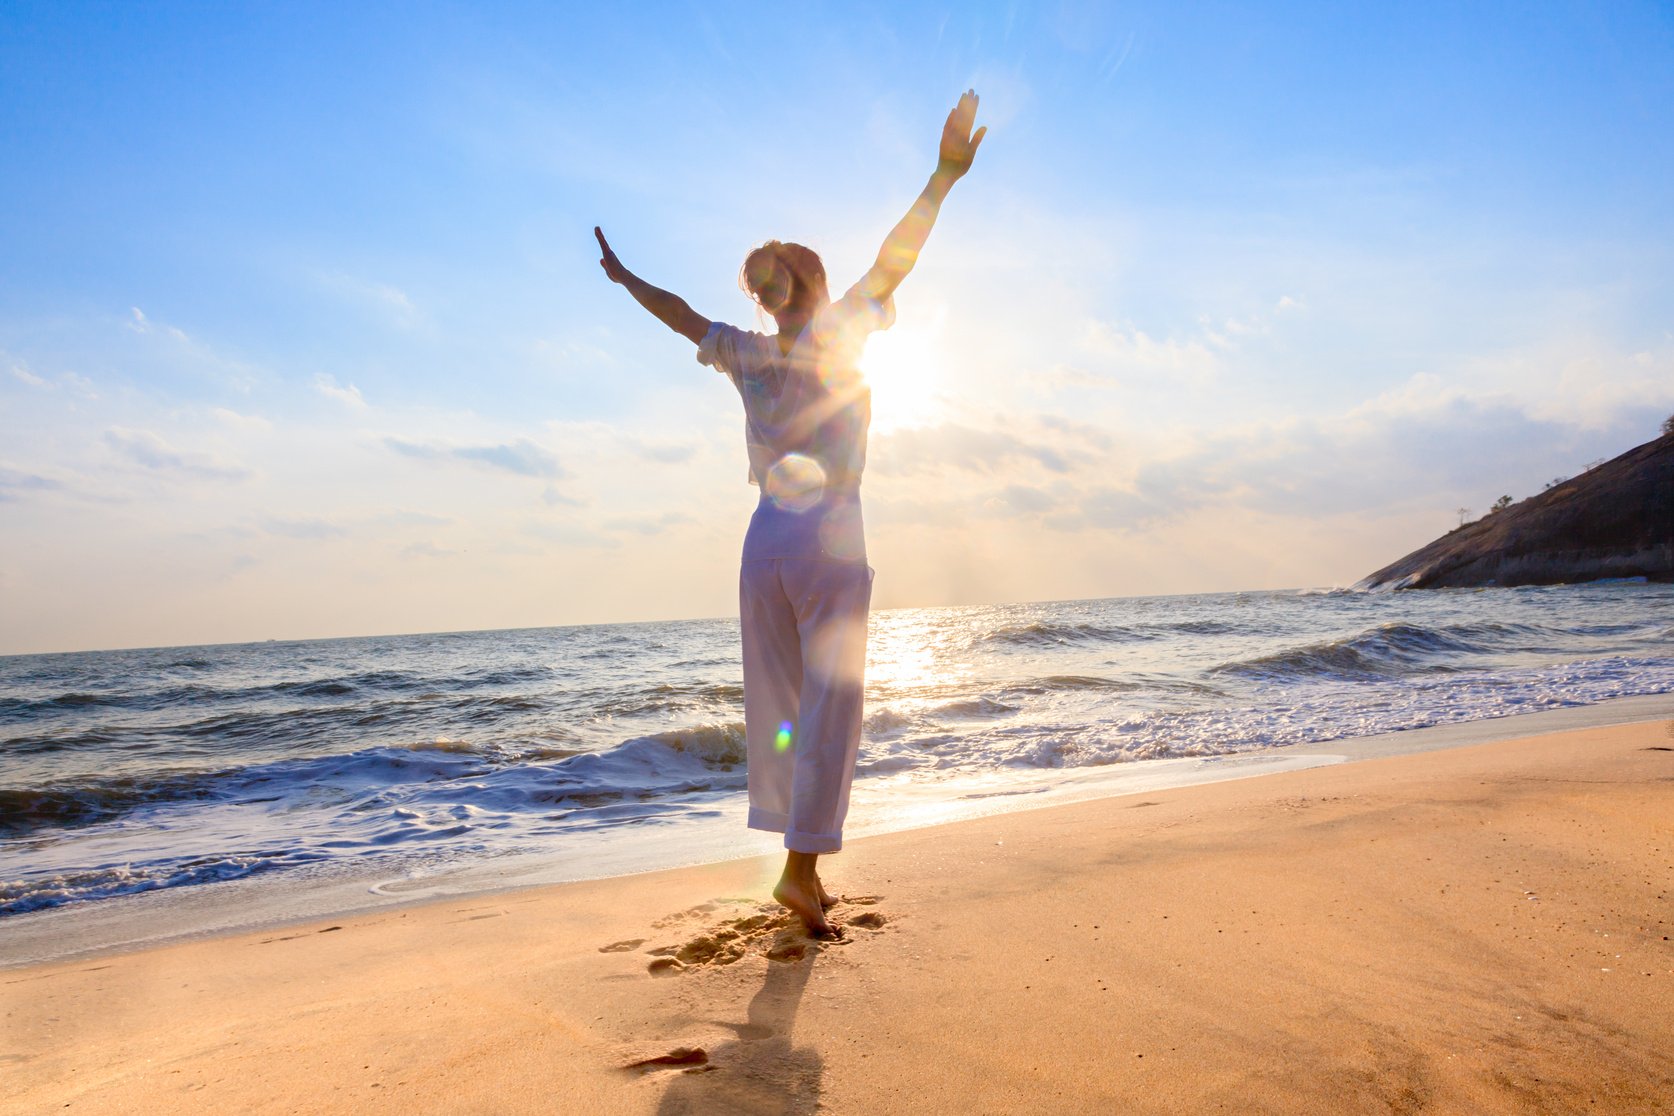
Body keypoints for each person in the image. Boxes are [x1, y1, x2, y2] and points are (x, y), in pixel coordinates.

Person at [595, 91, 985, 936]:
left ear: (767, 293)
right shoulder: (840, 330)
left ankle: (795, 863)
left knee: (777, 708)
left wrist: (625, 279)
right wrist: (945, 176)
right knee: (830, 706)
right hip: (830, 535)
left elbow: (678, 316)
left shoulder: (746, 349)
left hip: (762, 540)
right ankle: (800, 874)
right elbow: (897, 257)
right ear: (812, 283)